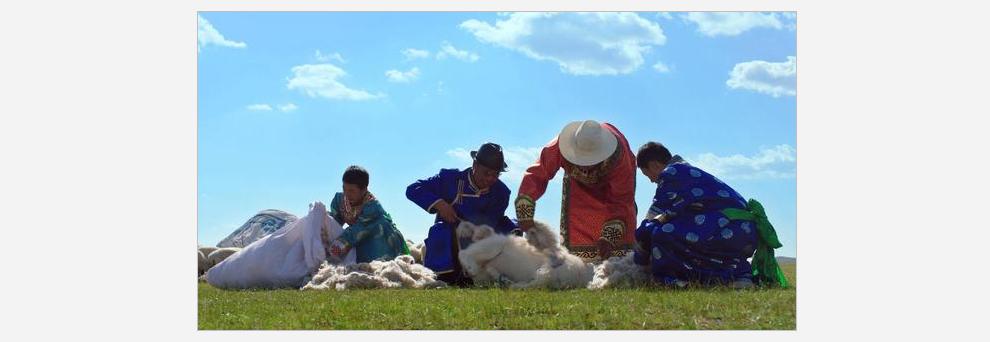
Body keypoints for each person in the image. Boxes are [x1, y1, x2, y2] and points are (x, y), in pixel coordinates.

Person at [633, 142, 788, 287]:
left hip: (731, 228)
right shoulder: (686, 172)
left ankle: (681, 279)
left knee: (660, 233)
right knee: (673, 228)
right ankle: (741, 276)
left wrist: (638, 257)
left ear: (654, 165)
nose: (652, 181)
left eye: (648, 176)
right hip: (743, 230)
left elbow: (654, 218)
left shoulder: (671, 173)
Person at [515, 120, 637, 261]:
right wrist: (525, 216)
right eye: (581, 161)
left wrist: (608, 239)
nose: (585, 169)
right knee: (578, 234)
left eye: (590, 162)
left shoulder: (621, 159)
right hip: (578, 189)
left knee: (618, 250)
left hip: (612, 190)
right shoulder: (560, 145)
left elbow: (621, 201)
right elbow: (537, 174)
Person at [406, 142, 520, 286]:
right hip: (450, 239)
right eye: (487, 173)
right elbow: (413, 189)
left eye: (496, 174)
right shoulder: (449, 179)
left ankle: (503, 273)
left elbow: (493, 222)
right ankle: (444, 277)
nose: (491, 179)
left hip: (483, 239)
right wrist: (441, 205)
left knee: (513, 227)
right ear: (475, 165)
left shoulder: (502, 192)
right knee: (440, 230)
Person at [325, 166, 410, 263]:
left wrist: (333, 249)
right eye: (344, 189)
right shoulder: (339, 200)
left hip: (379, 237)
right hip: (355, 236)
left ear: (364, 189)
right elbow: (334, 223)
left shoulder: (372, 206)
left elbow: (356, 232)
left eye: (352, 191)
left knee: (376, 268)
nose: (347, 194)